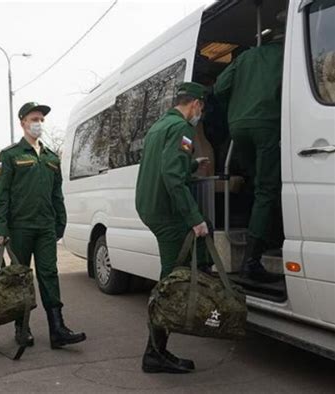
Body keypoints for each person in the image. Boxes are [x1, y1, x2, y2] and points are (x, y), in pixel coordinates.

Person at [0, 102, 86, 349]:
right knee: (20, 278)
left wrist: (60, 223)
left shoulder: (51, 157)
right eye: (34, 119)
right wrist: (0, 228)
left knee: (49, 275)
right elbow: (2, 196)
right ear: (22, 122)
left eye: (42, 120)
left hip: (45, 227)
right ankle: (22, 328)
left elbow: (57, 195)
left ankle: (57, 329)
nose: (39, 123)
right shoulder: (10, 155)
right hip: (19, 228)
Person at [135, 82, 212, 374]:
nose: (199, 114)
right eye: (200, 109)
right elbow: (171, 176)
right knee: (170, 282)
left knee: (173, 275)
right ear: (195, 105)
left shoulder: (159, 126)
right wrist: (195, 218)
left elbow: (167, 166)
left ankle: (157, 350)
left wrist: (193, 165)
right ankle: (154, 353)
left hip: (151, 207)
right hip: (167, 213)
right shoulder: (183, 129)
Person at [214, 28, 284, 283]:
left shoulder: (245, 57)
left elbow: (220, 87)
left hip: (238, 127)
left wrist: (239, 104)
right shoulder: (287, 56)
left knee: (259, 187)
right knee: (267, 189)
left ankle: (270, 236)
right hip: (267, 124)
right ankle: (251, 262)